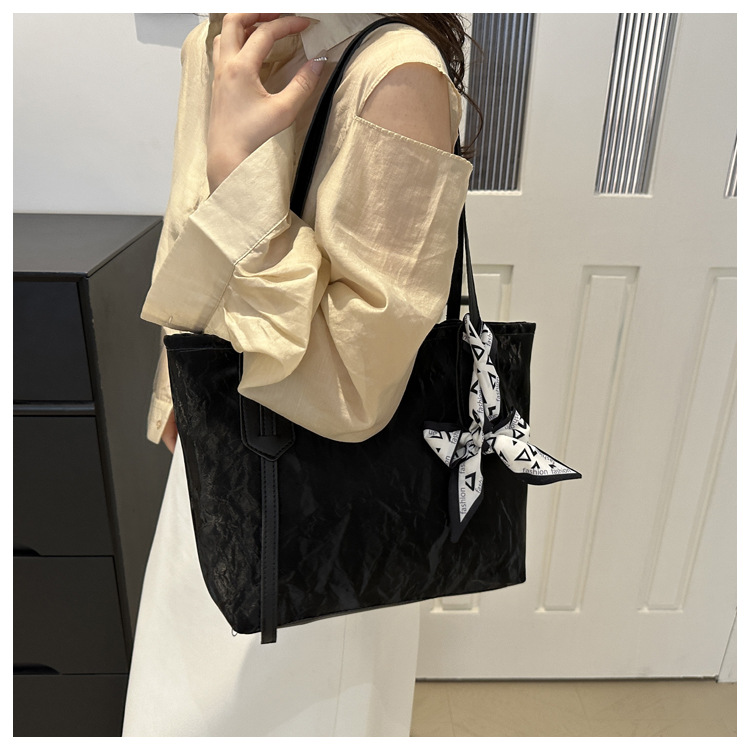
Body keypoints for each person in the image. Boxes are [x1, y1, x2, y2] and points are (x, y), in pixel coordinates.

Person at [123, 13, 475, 736]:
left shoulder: (394, 72)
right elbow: (187, 229)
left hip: (323, 513)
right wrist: (176, 397)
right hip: (213, 460)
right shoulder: (216, 38)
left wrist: (240, 177)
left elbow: (355, 387)